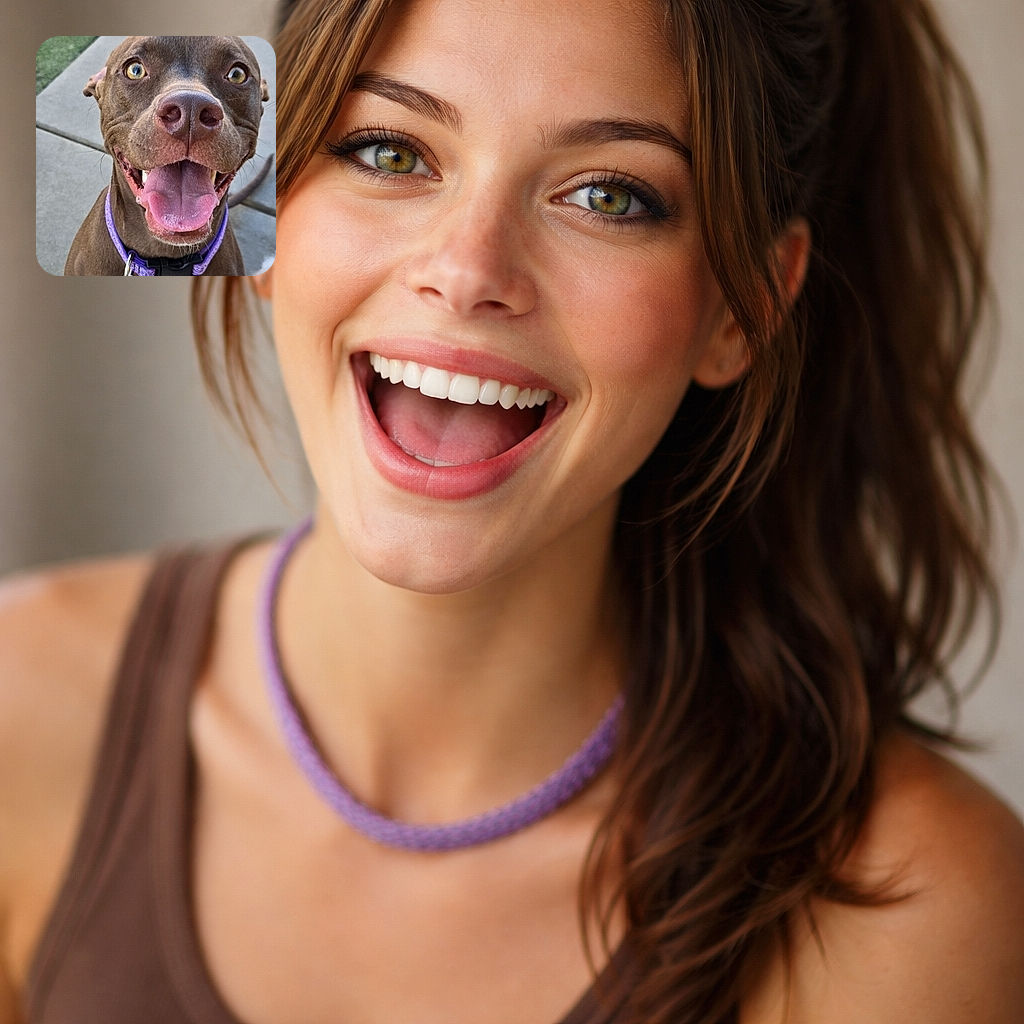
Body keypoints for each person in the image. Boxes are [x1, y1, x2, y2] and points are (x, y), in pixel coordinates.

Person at [3, 0, 1024, 1021]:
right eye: (389, 150)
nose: (467, 271)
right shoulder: (19, 718)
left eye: (609, 195)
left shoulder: (917, 909)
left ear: (740, 306)